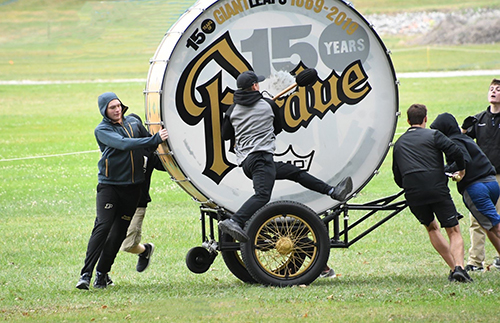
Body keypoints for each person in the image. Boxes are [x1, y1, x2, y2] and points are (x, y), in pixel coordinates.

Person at [218, 70, 352, 277]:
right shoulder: (268, 105)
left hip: (247, 162)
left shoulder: (232, 109)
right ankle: (235, 221)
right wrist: (269, 108)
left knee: (295, 172)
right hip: (262, 158)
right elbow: (280, 128)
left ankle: (333, 191)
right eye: (258, 84)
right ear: (254, 86)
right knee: (262, 195)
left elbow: (226, 134)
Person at [76, 92, 168, 290]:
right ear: (104, 111)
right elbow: (124, 144)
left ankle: (102, 274)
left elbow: (152, 153)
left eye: (118, 106)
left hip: (133, 190)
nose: (117, 110)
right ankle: (85, 274)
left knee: (118, 234)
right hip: (109, 187)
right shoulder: (102, 130)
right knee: (103, 226)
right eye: (112, 107)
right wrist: (154, 139)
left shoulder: (134, 125)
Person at [392, 103, 472, 282]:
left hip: (413, 193)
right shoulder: (434, 135)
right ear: (425, 119)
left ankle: (453, 268)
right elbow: (456, 152)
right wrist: (461, 170)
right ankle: (459, 267)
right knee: (453, 230)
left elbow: (397, 176)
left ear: (407, 120)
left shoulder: (399, 143)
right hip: (437, 189)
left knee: (432, 227)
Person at [430, 112, 500, 269]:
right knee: (488, 224)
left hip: (476, 187)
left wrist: (444, 170)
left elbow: (464, 160)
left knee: (496, 226)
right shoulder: (465, 138)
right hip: (492, 183)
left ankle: (475, 263)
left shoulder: (453, 142)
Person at [119, 114, 167, 273]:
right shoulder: (122, 147)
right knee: (107, 239)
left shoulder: (149, 152)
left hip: (138, 203)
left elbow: (166, 165)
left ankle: (145, 250)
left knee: (128, 245)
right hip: (119, 201)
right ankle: (103, 274)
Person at [461, 78, 500, 272]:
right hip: (482, 177)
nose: (493, 92)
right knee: (476, 219)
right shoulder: (479, 119)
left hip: (499, 177)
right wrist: (463, 128)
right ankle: (475, 261)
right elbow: (461, 141)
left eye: (498, 89)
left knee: (497, 219)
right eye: (491, 89)